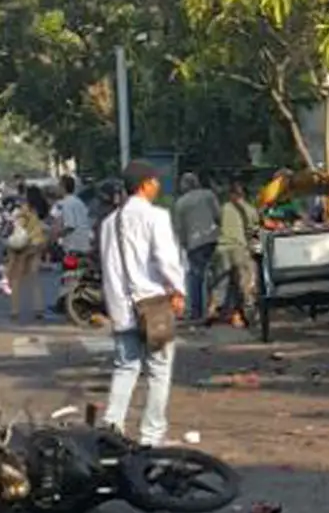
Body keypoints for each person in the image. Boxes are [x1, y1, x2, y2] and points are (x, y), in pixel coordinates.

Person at [98, 160, 186, 445]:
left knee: (126, 367)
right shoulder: (156, 217)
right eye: (155, 181)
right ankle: (151, 436)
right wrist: (178, 290)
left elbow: (108, 266)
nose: (158, 186)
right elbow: (166, 260)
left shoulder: (110, 223)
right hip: (154, 304)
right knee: (159, 371)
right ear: (146, 184)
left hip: (122, 307)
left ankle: (111, 429)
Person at [206, 177, 259, 326]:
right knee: (244, 284)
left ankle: (213, 308)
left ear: (231, 194)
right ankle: (246, 315)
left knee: (220, 283)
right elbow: (254, 230)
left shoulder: (224, 208)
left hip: (222, 248)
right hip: (239, 249)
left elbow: (217, 222)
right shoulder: (250, 210)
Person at [172, 171, 222, 326]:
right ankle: (214, 308)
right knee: (214, 275)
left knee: (195, 276)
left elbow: (179, 228)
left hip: (194, 243)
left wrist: (184, 244)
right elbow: (218, 216)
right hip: (212, 239)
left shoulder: (180, 203)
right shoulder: (209, 195)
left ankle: (196, 311)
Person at [4, 186, 49, 324]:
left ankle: (14, 310)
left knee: (16, 278)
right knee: (34, 278)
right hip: (39, 243)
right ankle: (39, 309)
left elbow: (18, 226)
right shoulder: (42, 208)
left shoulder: (24, 210)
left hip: (25, 244)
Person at [49, 174, 92, 254]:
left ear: (63, 187)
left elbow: (70, 226)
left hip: (73, 245)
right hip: (84, 242)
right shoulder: (78, 201)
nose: (56, 189)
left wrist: (56, 236)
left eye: (58, 186)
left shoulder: (66, 203)